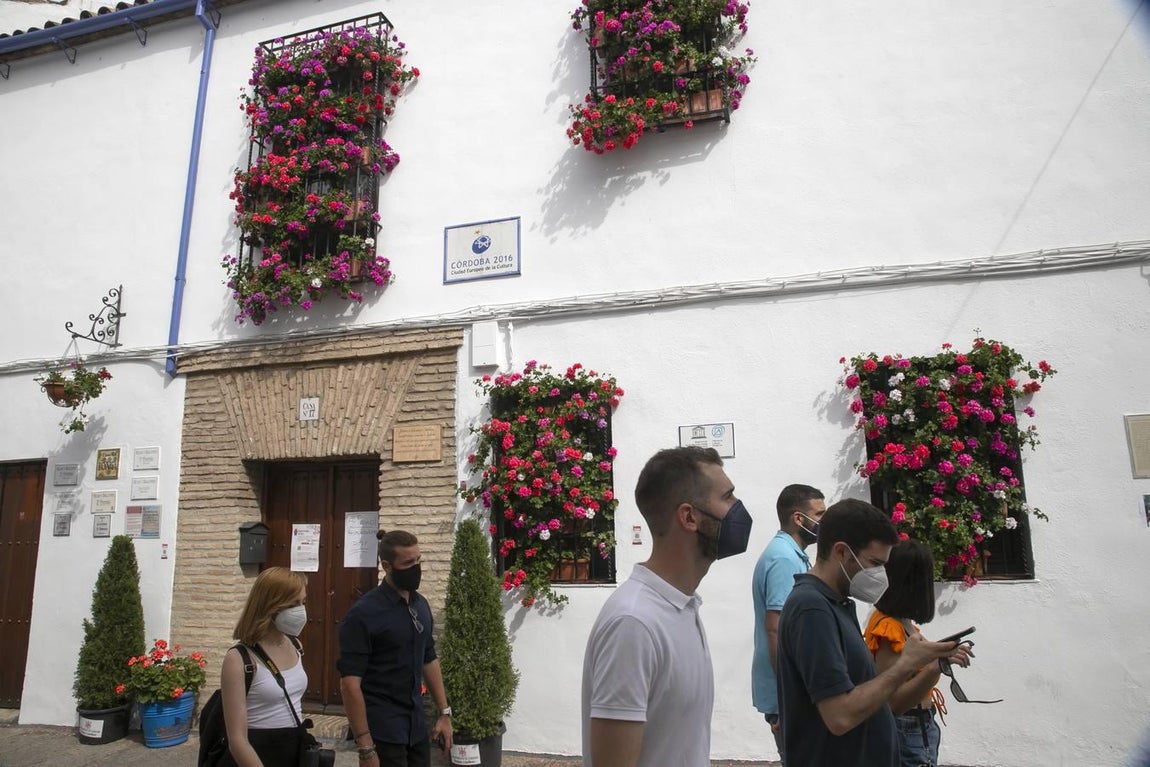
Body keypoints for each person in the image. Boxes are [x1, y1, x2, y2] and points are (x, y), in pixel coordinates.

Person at [581, 446, 754, 767]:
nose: (737, 508)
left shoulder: (682, 606)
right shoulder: (634, 622)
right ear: (689, 517)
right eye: (728, 497)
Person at [776, 499, 960, 767]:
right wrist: (906, 664)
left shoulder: (835, 603)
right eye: (874, 562)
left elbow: (873, 698)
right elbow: (839, 716)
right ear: (841, 552)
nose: (880, 575)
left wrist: (928, 663)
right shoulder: (811, 608)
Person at [339, 529, 453, 767]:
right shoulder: (363, 615)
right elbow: (350, 685)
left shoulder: (420, 605)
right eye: (408, 562)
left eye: (418, 560)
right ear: (386, 566)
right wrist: (365, 747)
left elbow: (429, 658)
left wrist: (444, 712)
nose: (416, 567)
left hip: (415, 727)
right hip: (383, 732)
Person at [863, 540, 972, 767]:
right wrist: (935, 666)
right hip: (908, 728)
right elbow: (893, 702)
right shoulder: (889, 629)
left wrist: (939, 654)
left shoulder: (900, 622)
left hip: (917, 726)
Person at [751, 484, 826, 763]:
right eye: (819, 514)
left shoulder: (790, 553)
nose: (823, 522)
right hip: (789, 697)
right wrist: (788, 697)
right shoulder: (783, 559)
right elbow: (776, 629)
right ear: (798, 518)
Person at [218, 566, 310, 767]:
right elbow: (237, 740)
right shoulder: (239, 659)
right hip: (257, 755)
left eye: (303, 602)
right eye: (293, 604)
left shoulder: (296, 645)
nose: (301, 610)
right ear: (271, 605)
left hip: (293, 751)